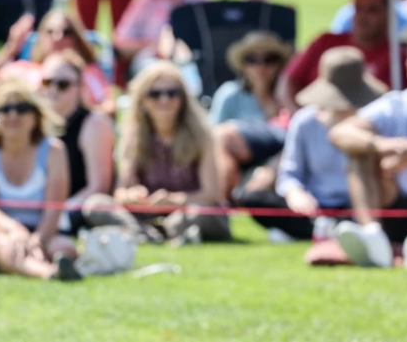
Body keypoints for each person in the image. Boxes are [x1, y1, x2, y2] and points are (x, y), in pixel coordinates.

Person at [239, 47, 387, 241]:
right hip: (315, 207)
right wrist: (295, 194)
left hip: (360, 205)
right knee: (255, 199)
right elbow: (290, 172)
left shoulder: (376, 120)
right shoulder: (305, 121)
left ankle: (337, 231)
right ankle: (327, 231)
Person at [329, 28, 407, 268]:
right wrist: (382, 145)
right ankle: (373, 238)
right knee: (359, 151)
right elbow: (340, 132)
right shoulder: (397, 103)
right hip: (395, 204)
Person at [83, 62, 230, 244]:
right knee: (96, 204)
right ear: (142, 101)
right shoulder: (133, 137)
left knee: (198, 212)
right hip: (147, 215)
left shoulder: (202, 134)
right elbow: (120, 192)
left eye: (172, 93)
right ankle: (148, 236)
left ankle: (156, 234)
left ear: (183, 98)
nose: (164, 100)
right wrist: (132, 196)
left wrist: (175, 200)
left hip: (189, 212)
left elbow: (212, 194)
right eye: (155, 94)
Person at [0, 79, 80, 280]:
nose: (13, 115)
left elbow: (55, 206)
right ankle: (49, 273)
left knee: (64, 248)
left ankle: (15, 265)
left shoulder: (54, 150)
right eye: (5, 109)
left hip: (45, 231)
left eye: (21, 108)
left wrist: (38, 239)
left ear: (36, 116)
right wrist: (15, 231)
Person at [279, 0, 407, 114]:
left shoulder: (399, 57)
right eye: (358, 8)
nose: (362, 17)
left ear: (389, 13)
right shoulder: (325, 42)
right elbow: (288, 81)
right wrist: (301, 118)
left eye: (372, 10)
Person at [0, 9, 115, 113]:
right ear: (41, 38)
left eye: (66, 32)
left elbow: (110, 108)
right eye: (50, 31)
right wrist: (10, 50)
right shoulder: (24, 69)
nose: (57, 37)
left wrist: (81, 106)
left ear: (77, 40)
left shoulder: (88, 72)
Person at [38, 51, 114, 234]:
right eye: (47, 82)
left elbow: (98, 186)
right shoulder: (33, 122)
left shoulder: (94, 124)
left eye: (63, 84)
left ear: (79, 87)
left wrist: (58, 213)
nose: (54, 89)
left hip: (79, 211)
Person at [211, 32, 292, 201]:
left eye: (269, 59)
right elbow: (212, 137)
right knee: (221, 139)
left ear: (280, 64)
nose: (261, 66)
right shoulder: (230, 94)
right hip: (239, 160)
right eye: (252, 60)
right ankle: (222, 202)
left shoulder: (288, 92)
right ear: (243, 65)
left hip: (281, 158)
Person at [114, 0, 207, 82]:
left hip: (194, 62)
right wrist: (155, 45)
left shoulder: (200, 2)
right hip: (151, 63)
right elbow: (120, 43)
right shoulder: (144, 3)